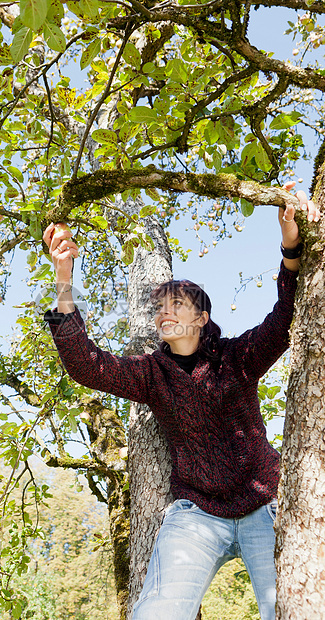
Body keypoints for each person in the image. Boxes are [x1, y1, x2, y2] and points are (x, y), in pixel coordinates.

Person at [42, 187, 320, 620]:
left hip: (265, 500)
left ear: (202, 318)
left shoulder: (237, 357)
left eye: (177, 303)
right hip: (197, 514)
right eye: (159, 308)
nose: (163, 313)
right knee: (158, 612)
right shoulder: (152, 373)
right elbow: (87, 366)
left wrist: (290, 246)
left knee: (291, 608)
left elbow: (287, 317)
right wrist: (64, 278)